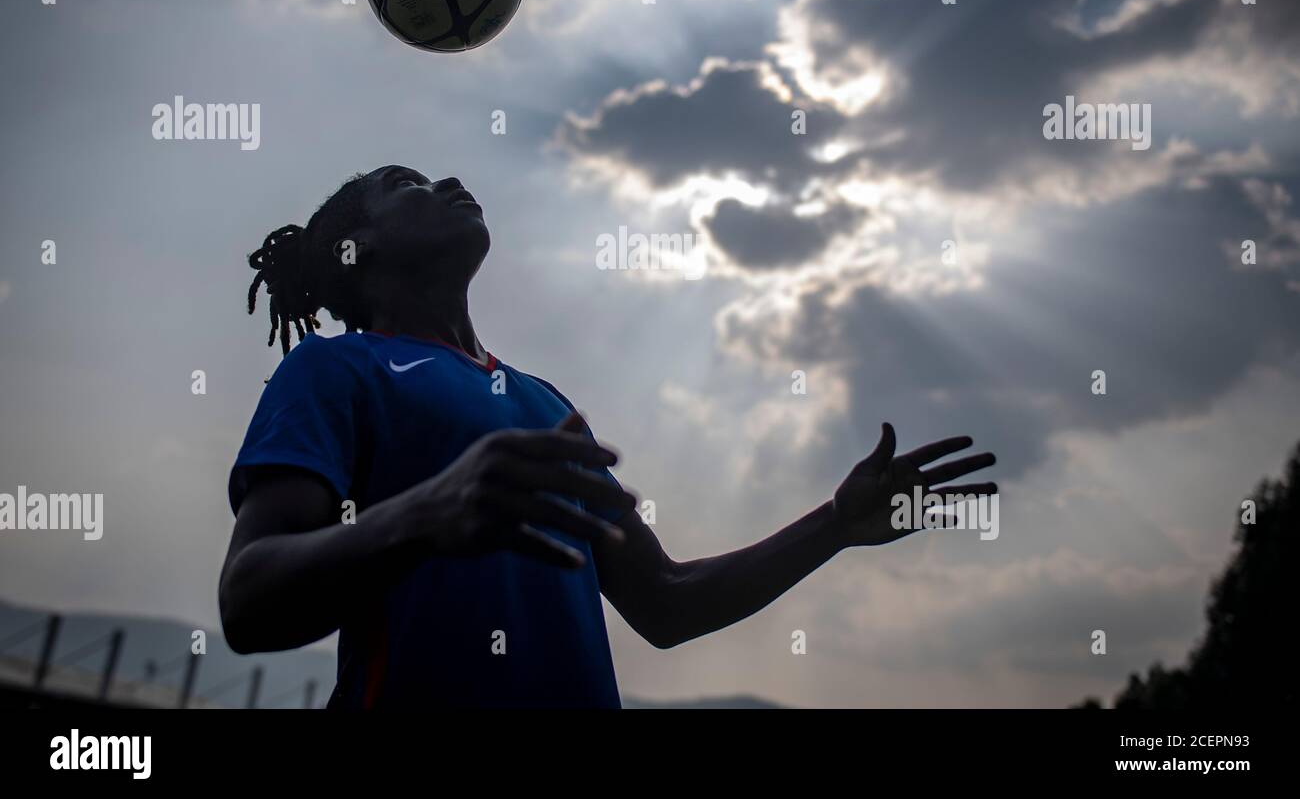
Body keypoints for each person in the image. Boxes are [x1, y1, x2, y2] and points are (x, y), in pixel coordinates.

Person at [218, 165, 998, 708]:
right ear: (365, 250)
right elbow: (249, 600)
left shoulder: (542, 401)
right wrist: (424, 515)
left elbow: (666, 603)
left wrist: (835, 525)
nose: (448, 184)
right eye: (406, 185)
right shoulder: (336, 370)